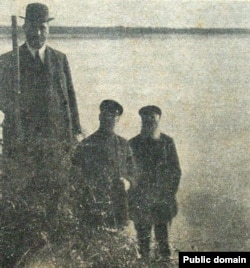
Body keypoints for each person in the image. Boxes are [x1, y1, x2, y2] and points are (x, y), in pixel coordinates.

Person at [0, 3, 82, 266]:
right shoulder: (8, 61)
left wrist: (75, 132)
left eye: (42, 27)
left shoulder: (60, 59)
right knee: (23, 196)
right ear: (24, 28)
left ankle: (50, 249)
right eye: (32, 27)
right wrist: (11, 102)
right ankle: (23, 248)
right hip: (22, 143)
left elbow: (69, 97)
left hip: (56, 142)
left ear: (48, 28)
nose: (37, 32)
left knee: (55, 193)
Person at [72, 100, 137, 230]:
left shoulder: (124, 145)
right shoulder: (86, 145)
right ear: (100, 117)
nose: (110, 119)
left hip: (118, 208)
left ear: (118, 119)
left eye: (114, 116)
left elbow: (134, 172)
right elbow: (75, 175)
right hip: (93, 208)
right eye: (106, 115)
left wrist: (128, 182)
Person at [129, 105, 181, 263]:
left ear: (159, 119)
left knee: (163, 242)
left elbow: (175, 171)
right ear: (142, 120)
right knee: (142, 243)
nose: (149, 121)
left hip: (162, 200)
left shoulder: (167, 142)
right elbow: (128, 171)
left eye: (153, 117)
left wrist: (168, 194)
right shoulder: (133, 143)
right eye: (146, 118)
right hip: (141, 200)